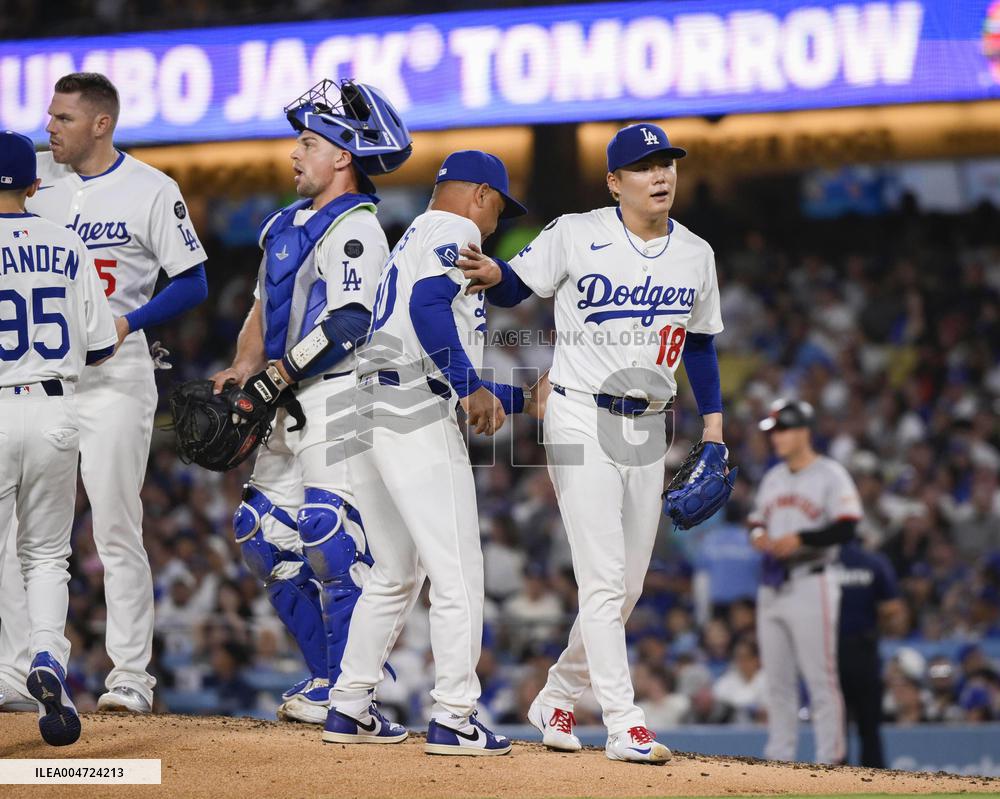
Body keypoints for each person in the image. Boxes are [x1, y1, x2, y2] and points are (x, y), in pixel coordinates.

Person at [457, 122, 727, 764]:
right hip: (578, 414)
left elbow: (702, 343)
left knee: (627, 586)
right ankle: (624, 722)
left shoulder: (696, 253)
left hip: (650, 423)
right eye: (643, 166)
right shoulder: (577, 232)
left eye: (666, 164)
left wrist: (713, 424)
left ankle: (556, 696)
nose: (660, 176)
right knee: (603, 580)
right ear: (615, 182)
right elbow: (519, 284)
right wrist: (495, 271)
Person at [0, 72, 208, 715]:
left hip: (116, 375)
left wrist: (129, 322)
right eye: (49, 117)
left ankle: (129, 677)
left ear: (100, 123)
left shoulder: (150, 188)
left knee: (116, 525)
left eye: (63, 118)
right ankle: (15, 671)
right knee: (15, 536)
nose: (50, 128)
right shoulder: (36, 176)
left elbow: (193, 282)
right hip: (40, 381)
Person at [208, 79, 412, 725]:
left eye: (308, 142)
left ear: (343, 156)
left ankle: (359, 691)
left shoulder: (359, 228)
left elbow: (349, 319)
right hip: (287, 399)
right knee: (260, 535)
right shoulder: (283, 224)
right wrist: (246, 364)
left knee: (329, 536)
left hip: (340, 394)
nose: (295, 153)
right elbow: (262, 310)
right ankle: (329, 679)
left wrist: (277, 374)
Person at [326, 150, 539, 756]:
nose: (496, 221)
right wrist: (472, 386)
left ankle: (349, 705)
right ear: (478, 194)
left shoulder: (415, 234)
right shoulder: (457, 228)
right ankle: (454, 715)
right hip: (411, 413)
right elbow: (427, 311)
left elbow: (427, 351)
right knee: (458, 572)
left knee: (395, 571)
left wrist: (518, 398)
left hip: (369, 408)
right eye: (498, 205)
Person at [0, 130, 118, 744]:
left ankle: (12, 672)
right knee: (46, 556)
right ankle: (47, 657)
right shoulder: (65, 242)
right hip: (54, 406)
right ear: (33, 184)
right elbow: (100, 345)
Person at [749, 399, 861, 764]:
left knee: (820, 679)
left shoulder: (831, 474)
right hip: (772, 584)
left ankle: (831, 760)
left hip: (813, 581)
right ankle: (779, 759)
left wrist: (801, 539)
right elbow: (755, 521)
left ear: (803, 432)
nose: (776, 437)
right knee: (777, 682)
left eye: (782, 430)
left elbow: (848, 526)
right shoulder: (773, 477)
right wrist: (759, 537)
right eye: (774, 431)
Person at [837, 535, 904, 767]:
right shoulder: (874, 562)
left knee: (836, 730)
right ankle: (875, 784)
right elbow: (893, 607)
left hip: (831, 653)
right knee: (870, 727)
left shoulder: (823, 564)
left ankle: (833, 786)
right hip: (864, 650)